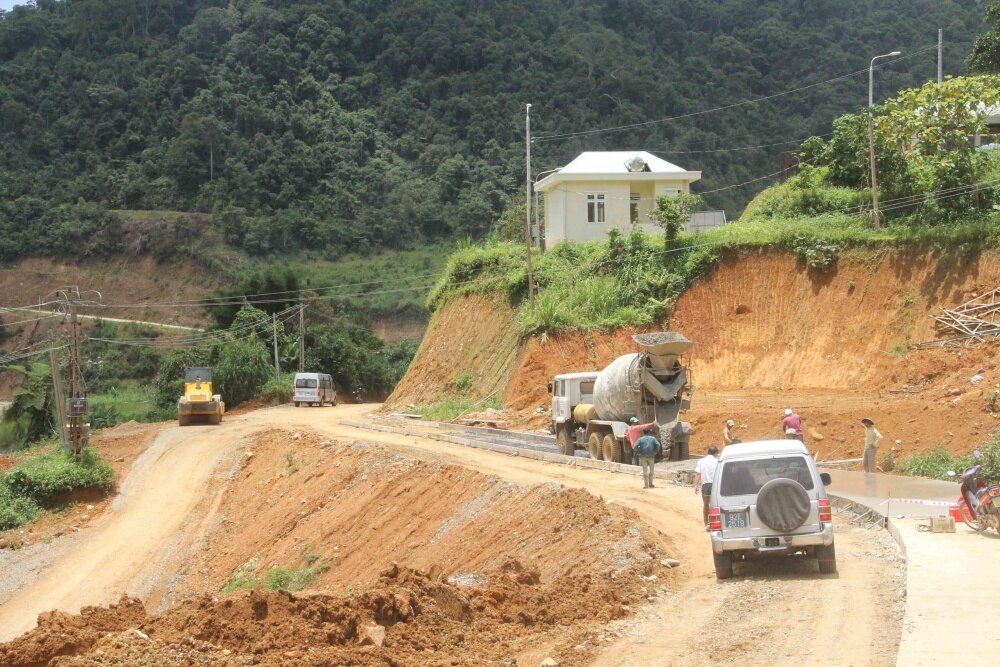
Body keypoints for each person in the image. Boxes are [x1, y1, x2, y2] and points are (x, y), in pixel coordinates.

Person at [693, 445, 720, 526]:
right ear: (715, 453)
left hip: (706, 485)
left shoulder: (701, 461)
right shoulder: (718, 461)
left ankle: (706, 523)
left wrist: (696, 486)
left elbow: (698, 474)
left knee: (706, 505)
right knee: (716, 505)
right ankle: (715, 522)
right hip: (716, 486)